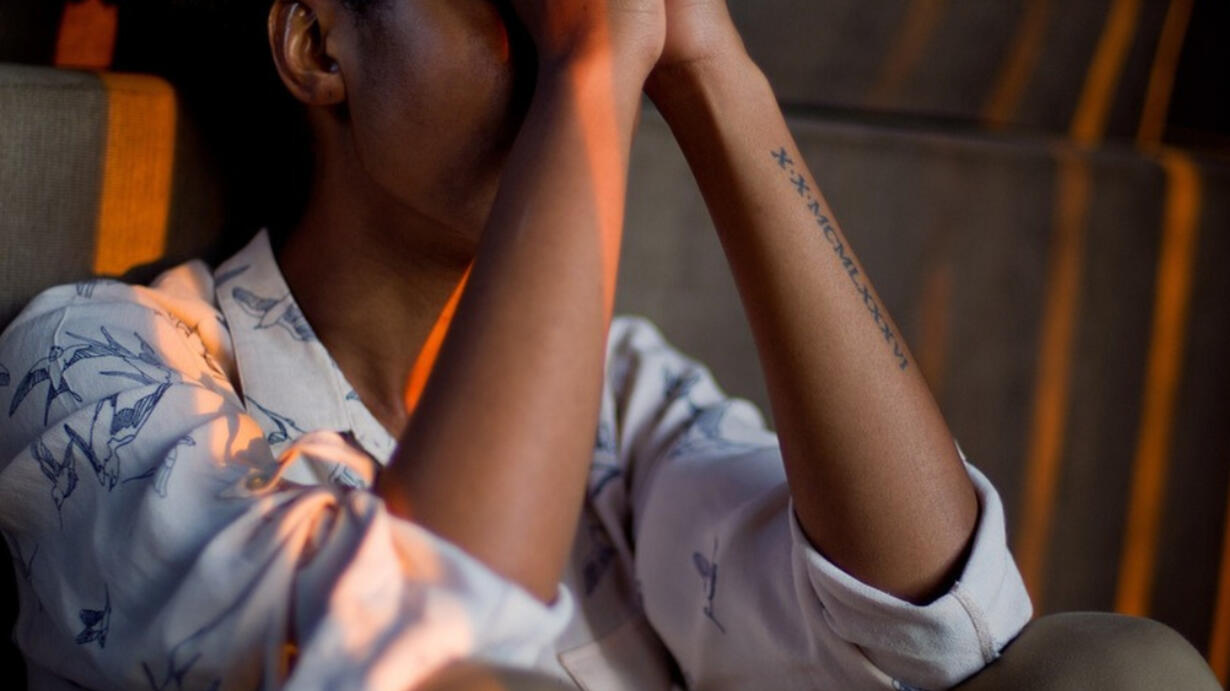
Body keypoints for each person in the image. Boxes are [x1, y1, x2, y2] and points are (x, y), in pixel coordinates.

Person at [2, 0, 1072, 687]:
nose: (580, 22)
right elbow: (428, 644)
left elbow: (938, 631)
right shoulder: (100, 369)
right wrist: (589, 69)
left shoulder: (623, 392)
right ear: (321, 44)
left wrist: (714, 76)